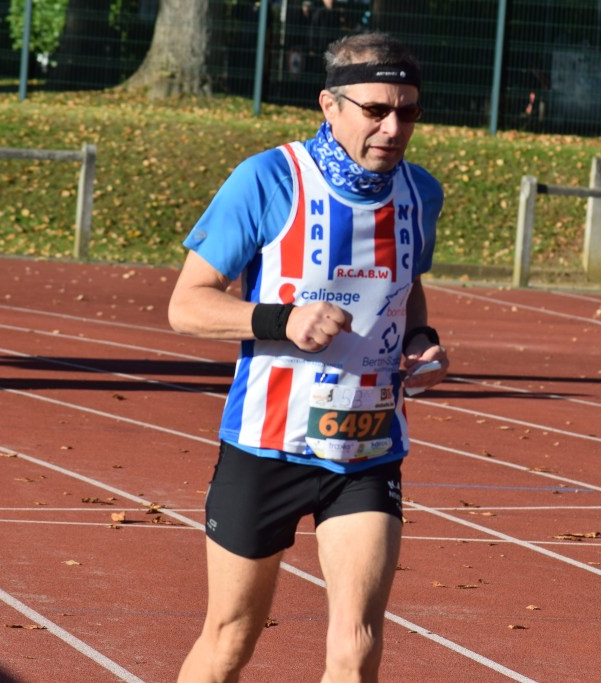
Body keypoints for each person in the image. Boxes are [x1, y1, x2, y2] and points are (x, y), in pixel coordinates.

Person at [168, 32, 447, 683]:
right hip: (265, 446)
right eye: (375, 110)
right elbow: (187, 305)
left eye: (407, 111)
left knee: (356, 646)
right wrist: (283, 319)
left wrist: (421, 338)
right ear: (330, 104)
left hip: (367, 447)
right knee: (230, 640)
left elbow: (407, 287)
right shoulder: (268, 178)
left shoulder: (421, 193)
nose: (393, 128)